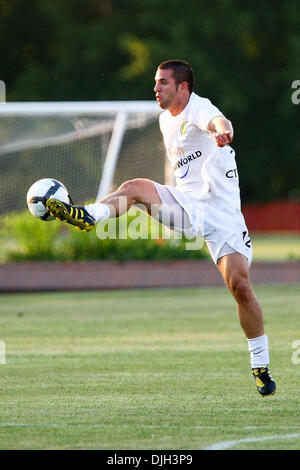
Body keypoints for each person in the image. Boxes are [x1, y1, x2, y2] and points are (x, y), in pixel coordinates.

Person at [47, 59, 276, 396]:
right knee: (135, 187)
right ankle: (88, 216)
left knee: (240, 287)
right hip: (185, 205)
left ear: (183, 87)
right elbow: (179, 170)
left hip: (222, 214)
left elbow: (217, 120)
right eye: (156, 82)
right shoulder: (163, 121)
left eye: (163, 83)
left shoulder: (199, 108)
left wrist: (222, 130)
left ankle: (260, 365)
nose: (155, 88)